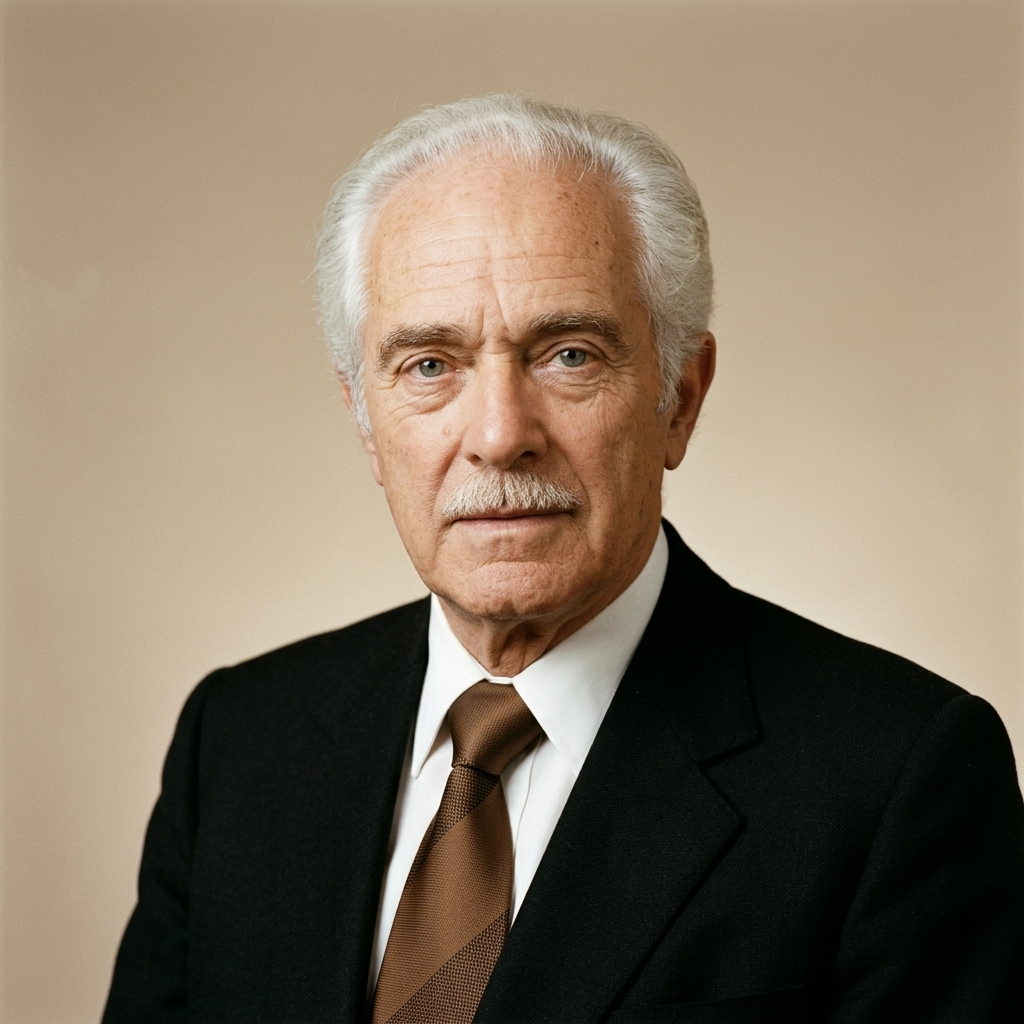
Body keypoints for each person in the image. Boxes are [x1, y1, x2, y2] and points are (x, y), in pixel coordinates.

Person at [103, 95, 1023, 1024]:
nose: (501, 437)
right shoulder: (239, 744)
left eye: (569, 354)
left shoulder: (898, 778)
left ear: (681, 399)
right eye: (430, 365)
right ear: (364, 421)